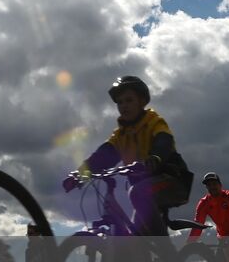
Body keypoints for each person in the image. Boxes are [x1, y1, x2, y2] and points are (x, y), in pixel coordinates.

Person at [61, 75, 192, 236]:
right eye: (120, 102)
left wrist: (156, 157)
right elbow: (104, 155)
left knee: (137, 193)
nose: (124, 106)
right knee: (134, 237)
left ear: (142, 101)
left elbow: (163, 140)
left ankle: (165, 252)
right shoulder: (121, 135)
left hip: (173, 180)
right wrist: (78, 174)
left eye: (129, 100)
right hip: (145, 190)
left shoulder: (154, 121)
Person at [188, 173, 229, 262]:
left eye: (214, 184)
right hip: (224, 237)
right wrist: (190, 242)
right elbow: (198, 224)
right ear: (206, 188)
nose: (212, 187)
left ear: (220, 185)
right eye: (209, 185)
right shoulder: (204, 203)